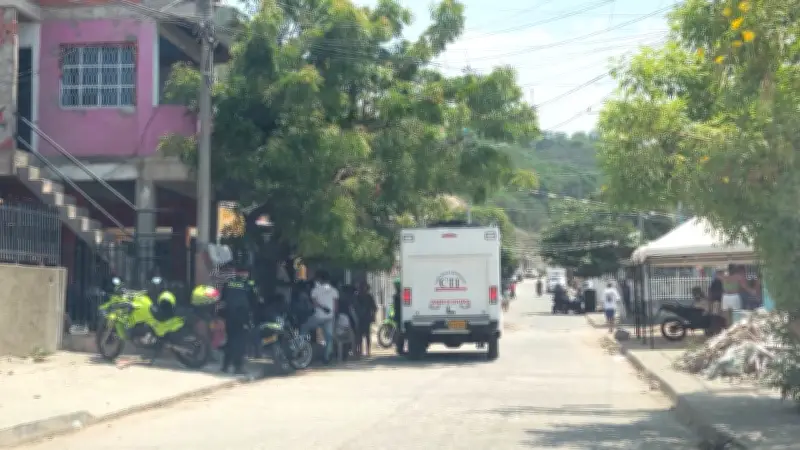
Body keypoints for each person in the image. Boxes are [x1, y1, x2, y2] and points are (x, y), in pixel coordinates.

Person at [218, 262, 258, 375]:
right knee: (240, 342)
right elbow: (254, 301)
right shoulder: (248, 284)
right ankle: (238, 367)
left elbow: (223, 299)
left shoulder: (228, 283)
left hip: (229, 315)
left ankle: (225, 366)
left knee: (230, 340)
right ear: (245, 273)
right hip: (242, 316)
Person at [301, 270, 338, 364]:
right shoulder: (334, 291)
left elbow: (314, 304)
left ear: (319, 279)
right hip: (330, 316)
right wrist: (333, 315)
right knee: (328, 337)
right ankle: (326, 357)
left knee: (304, 327)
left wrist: (322, 307)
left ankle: (301, 347)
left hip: (318, 316)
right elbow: (335, 306)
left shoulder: (315, 290)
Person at [355, 282, 378, 357]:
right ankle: (363, 351)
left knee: (364, 335)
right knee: (361, 336)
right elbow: (374, 308)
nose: (361, 289)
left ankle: (365, 351)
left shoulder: (368, 297)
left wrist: (373, 315)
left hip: (363, 318)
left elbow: (374, 308)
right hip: (360, 318)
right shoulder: (358, 296)